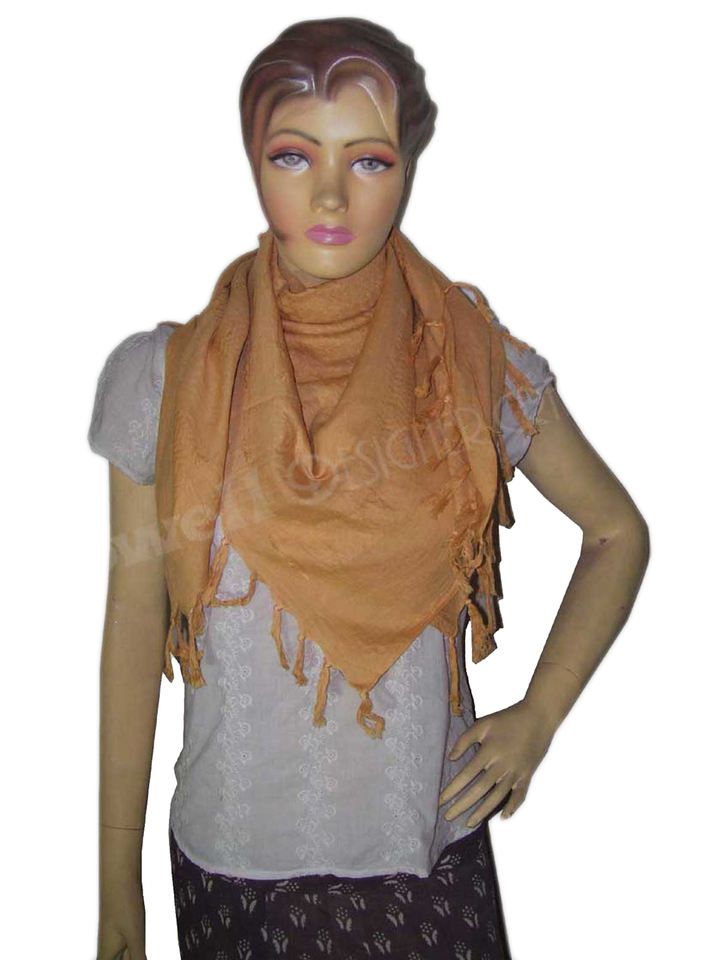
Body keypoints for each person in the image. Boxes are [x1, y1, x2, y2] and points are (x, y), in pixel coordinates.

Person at [90, 17, 650, 960]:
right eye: (294, 154)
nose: (329, 193)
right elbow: (135, 619)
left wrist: (540, 714)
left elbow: (616, 533)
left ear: (407, 167)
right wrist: (116, 887)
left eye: (369, 160)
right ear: (254, 161)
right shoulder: (166, 380)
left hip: (427, 854)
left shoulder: (473, 367)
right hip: (234, 864)